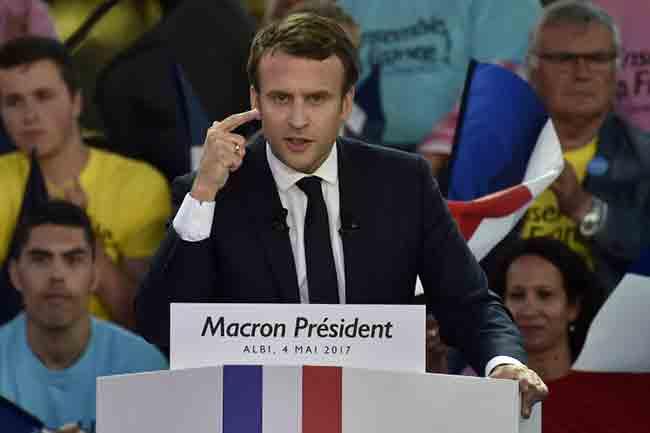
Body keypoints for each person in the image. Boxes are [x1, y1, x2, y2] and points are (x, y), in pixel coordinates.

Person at [136, 12, 547, 416]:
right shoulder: (211, 191)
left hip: (377, 414)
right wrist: (204, 192)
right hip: (254, 415)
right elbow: (160, 325)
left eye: (316, 99)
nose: (298, 120)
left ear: (346, 102)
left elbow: (468, 302)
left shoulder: (402, 182)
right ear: (255, 101)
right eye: (281, 98)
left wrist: (503, 363)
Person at [0, 36, 171, 328]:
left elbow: (142, 320)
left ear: (76, 102)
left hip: (107, 352)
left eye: (43, 96)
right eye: (13, 102)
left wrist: (86, 238)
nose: (29, 115)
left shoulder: (138, 186)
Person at [0, 200, 168, 433]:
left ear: (95, 276)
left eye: (73, 259)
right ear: (15, 274)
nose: (57, 275)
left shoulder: (144, 366)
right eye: (40, 259)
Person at [520, 0, 650, 291]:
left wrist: (585, 208)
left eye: (597, 58)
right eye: (564, 59)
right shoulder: (491, 156)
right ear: (532, 69)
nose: (582, 73)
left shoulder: (644, 160)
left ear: (616, 70)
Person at [489, 237, 605, 382]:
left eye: (545, 295)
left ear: (573, 307)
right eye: (517, 295)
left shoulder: (608, 386)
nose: (529, 311)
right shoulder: (478, 386)